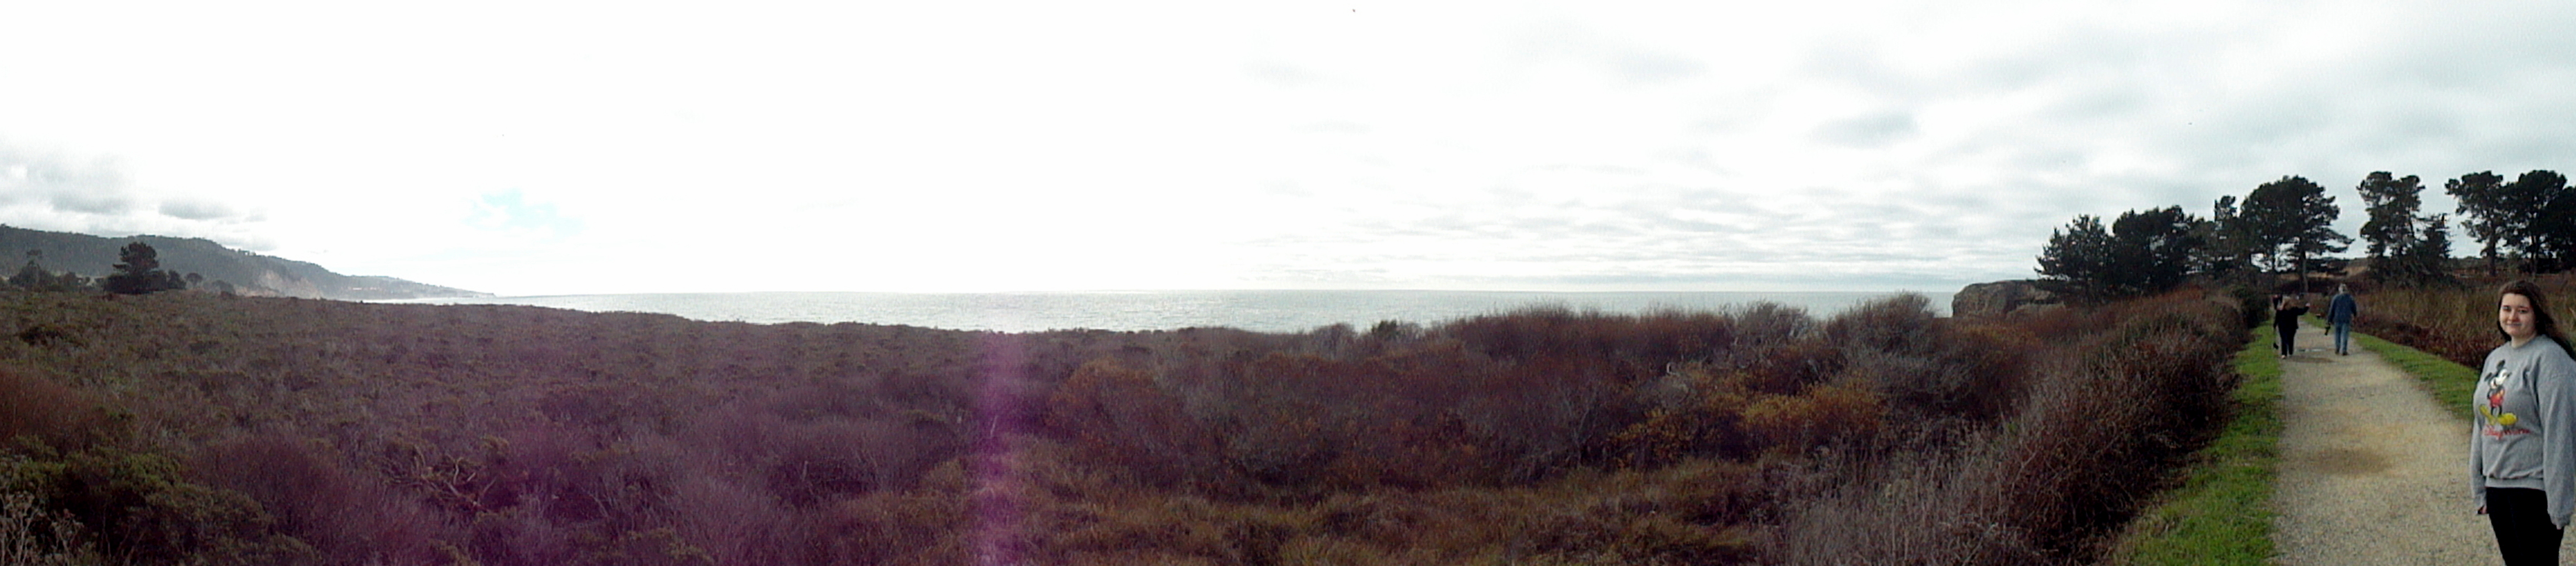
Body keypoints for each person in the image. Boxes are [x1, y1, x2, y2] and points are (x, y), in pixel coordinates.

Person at [2471, 280, 2576, 565]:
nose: (2512, 317)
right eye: (2507, 309)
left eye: (2522, 311)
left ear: (2537, 314)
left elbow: (2561, 432)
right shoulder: (2496, 358)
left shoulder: (2552, 359)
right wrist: (2479, 485)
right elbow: (2482, 425)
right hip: (2498, 487)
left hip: (2534, 490)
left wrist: (2559, 503)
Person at [2273, 294, 2311, 358]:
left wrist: (2275, 325)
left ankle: (2284, 354)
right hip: (2292, 327)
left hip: (2283, 327)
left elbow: (2277, 319)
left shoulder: (2280, 311)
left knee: (2284, 340)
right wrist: (2307, 307)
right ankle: (2290, 351)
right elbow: (2302, 312)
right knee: (2290, 339)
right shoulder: (2294, 310)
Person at [2329, 284, 2359, 355]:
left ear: (2340, 290)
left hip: (2337, 319)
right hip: (2346, 319)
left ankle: (2337, 347)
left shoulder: (2335, 298)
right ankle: (2344, 350)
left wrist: (2329, 319)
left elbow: (2332, 310)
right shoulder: (2350, 298)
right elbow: (2354, 308)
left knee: (2337, 334)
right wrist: (2355, 315)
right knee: (2345, 335)